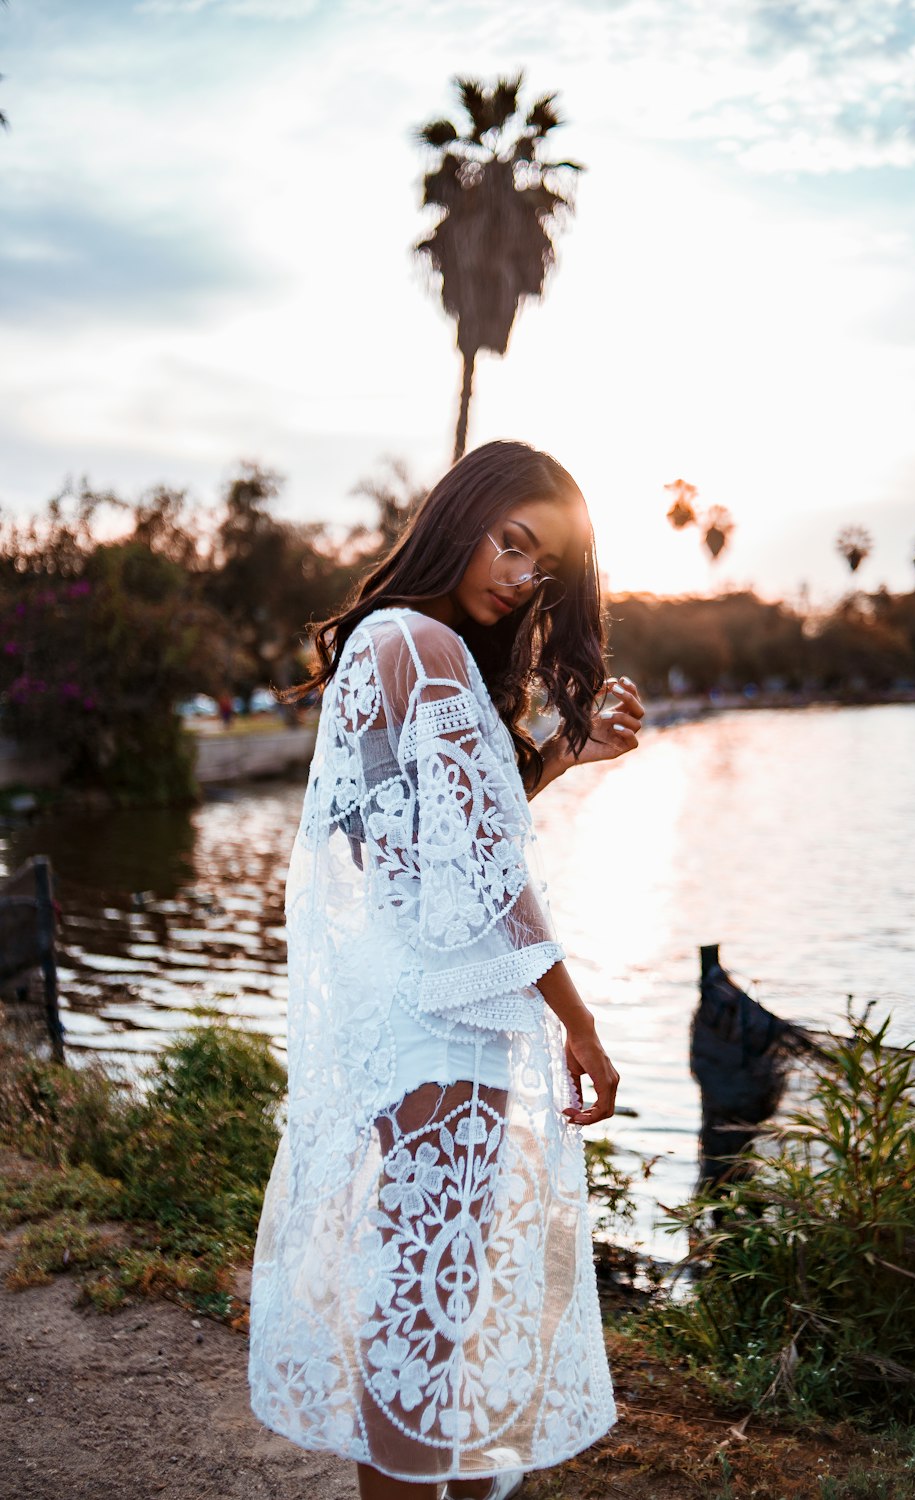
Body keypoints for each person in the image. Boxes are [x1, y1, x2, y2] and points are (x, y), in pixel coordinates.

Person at [248, 439, 645, 1500]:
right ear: (456, 514)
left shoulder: (391, 639)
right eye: (509, 542)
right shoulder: (426, 645)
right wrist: (581, 1022)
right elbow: (483, 879)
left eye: (541, 568)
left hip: (412, 1000)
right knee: (427, 1311)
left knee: (428, 1299)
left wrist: (561, 756)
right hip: (446, 1012)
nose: (519, 578)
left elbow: (427, 849)